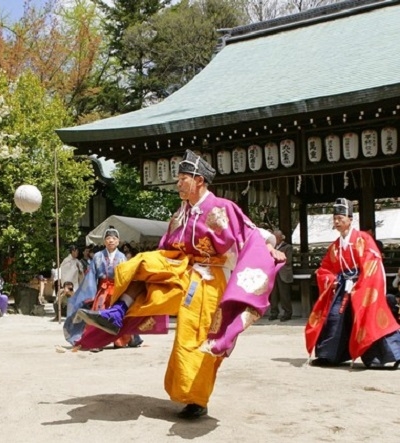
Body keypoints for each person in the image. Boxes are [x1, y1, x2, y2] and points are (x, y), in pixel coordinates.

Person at [74, 149, 284, 419]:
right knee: (142, 265)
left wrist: (270, 246)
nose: (178, 184)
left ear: (199, 180)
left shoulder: (222, 208)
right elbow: (166, 247)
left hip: (209, 277)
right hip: (182, 267)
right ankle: (117, 312)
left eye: (183, 178)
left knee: (195, 335)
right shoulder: (180, 214)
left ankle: (196, 398)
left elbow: (252, 233)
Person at [305, 198, 400, 367]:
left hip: (363, 285)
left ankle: (387, 357)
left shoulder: (363, 239)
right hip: (343, 286)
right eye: (335, 218)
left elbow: (372, 263)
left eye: (341, 218)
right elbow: (325, 268)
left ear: (350, 219)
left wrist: (360, 284)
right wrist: (330, 279)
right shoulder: (335, 247)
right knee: (335, 316)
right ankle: (330, 355)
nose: (337, 222)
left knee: (368, 318)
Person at [63, 228, 129, 347]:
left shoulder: (122, 257)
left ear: (118, 241)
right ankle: (97, 341)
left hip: (117, 291)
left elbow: (126, 277)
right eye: (108, 238)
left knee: (118, 313)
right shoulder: (98, 256)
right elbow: (91, 276)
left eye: (114, 238)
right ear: (104, 241)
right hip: (102, 291)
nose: (111, 241)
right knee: (98, 315)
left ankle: (119, 340)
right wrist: (90, 294)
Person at [268, 229, 294, 321]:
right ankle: (274, 312)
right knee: (273, 295)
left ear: (280, 238)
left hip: (283, 272)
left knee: (284, 295)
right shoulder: (271, 247)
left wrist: (276, 259)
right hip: (273, 272)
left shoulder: (287, 247)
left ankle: (287, 313)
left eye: (276, 238)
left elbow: (288, 260)